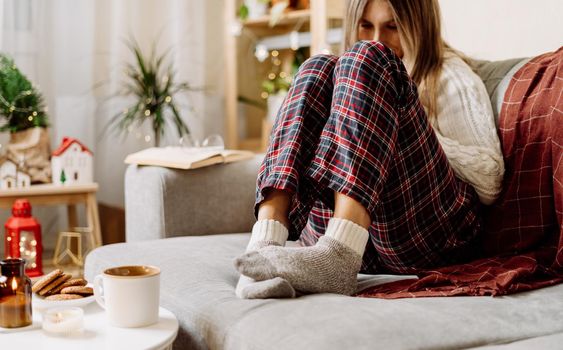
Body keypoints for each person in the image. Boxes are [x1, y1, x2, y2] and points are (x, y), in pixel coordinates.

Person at [234, 0, 505, 299]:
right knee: (317, 66)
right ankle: (264, 247)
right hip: (363, 245)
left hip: (430, 236)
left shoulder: (449, 74)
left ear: (419, 27)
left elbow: (489, 177)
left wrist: (394, 128)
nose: (378, 37)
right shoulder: (344, 77)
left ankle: (339, 254)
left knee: (369, 56)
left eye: (393, 26)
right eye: (366, 26)